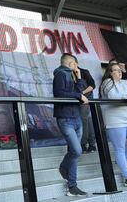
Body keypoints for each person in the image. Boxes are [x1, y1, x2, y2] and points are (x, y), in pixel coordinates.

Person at [53, 53, 89, 196]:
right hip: (65, 118)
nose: (77, 66)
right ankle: (63, 167)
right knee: (77, 151)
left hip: (76, 117)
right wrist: (78, 96)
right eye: (75, 63)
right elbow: (59, 93)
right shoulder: (61, 74)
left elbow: (79, 91)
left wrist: (79, 77)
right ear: (70, 63)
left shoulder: (71, 74)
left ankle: (72, 185)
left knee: (74, 153)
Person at [75, 58, 96, 153]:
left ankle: (83, 144)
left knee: (84, 121)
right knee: (87, 121)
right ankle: (92, 144)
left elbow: (92, 85)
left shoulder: (84, 72)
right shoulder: (69, 73)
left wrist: (82, 93)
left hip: (85, 99)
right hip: (77, 100)